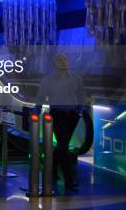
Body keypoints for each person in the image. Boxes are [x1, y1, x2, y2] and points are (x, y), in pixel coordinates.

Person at [35, 53, 85, 191]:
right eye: (59, 60)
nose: (63, 62)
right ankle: (69, 180)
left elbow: (81, 95)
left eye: (65, 59)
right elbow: (40, 98)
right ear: (54, 64)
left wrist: (80, 111)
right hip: (57, 115)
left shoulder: (76, 78)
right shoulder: (48, 80)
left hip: (72, 116)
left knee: (62, 145)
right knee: (63, 146)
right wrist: (36, 111)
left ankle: (50, 170)